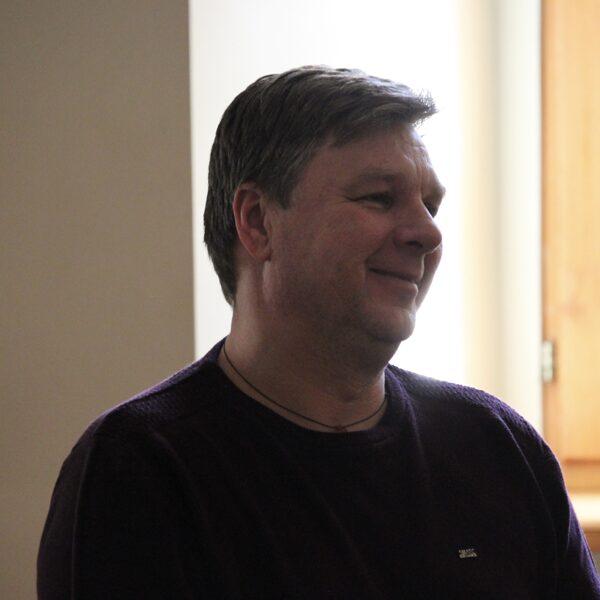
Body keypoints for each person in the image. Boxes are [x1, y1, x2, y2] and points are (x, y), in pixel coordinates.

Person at [38, 66, 600, 599]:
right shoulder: (140, 469)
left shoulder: (498, 447)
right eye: (378, 197)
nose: (428, 234)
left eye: (430, 205)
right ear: (257, 221)